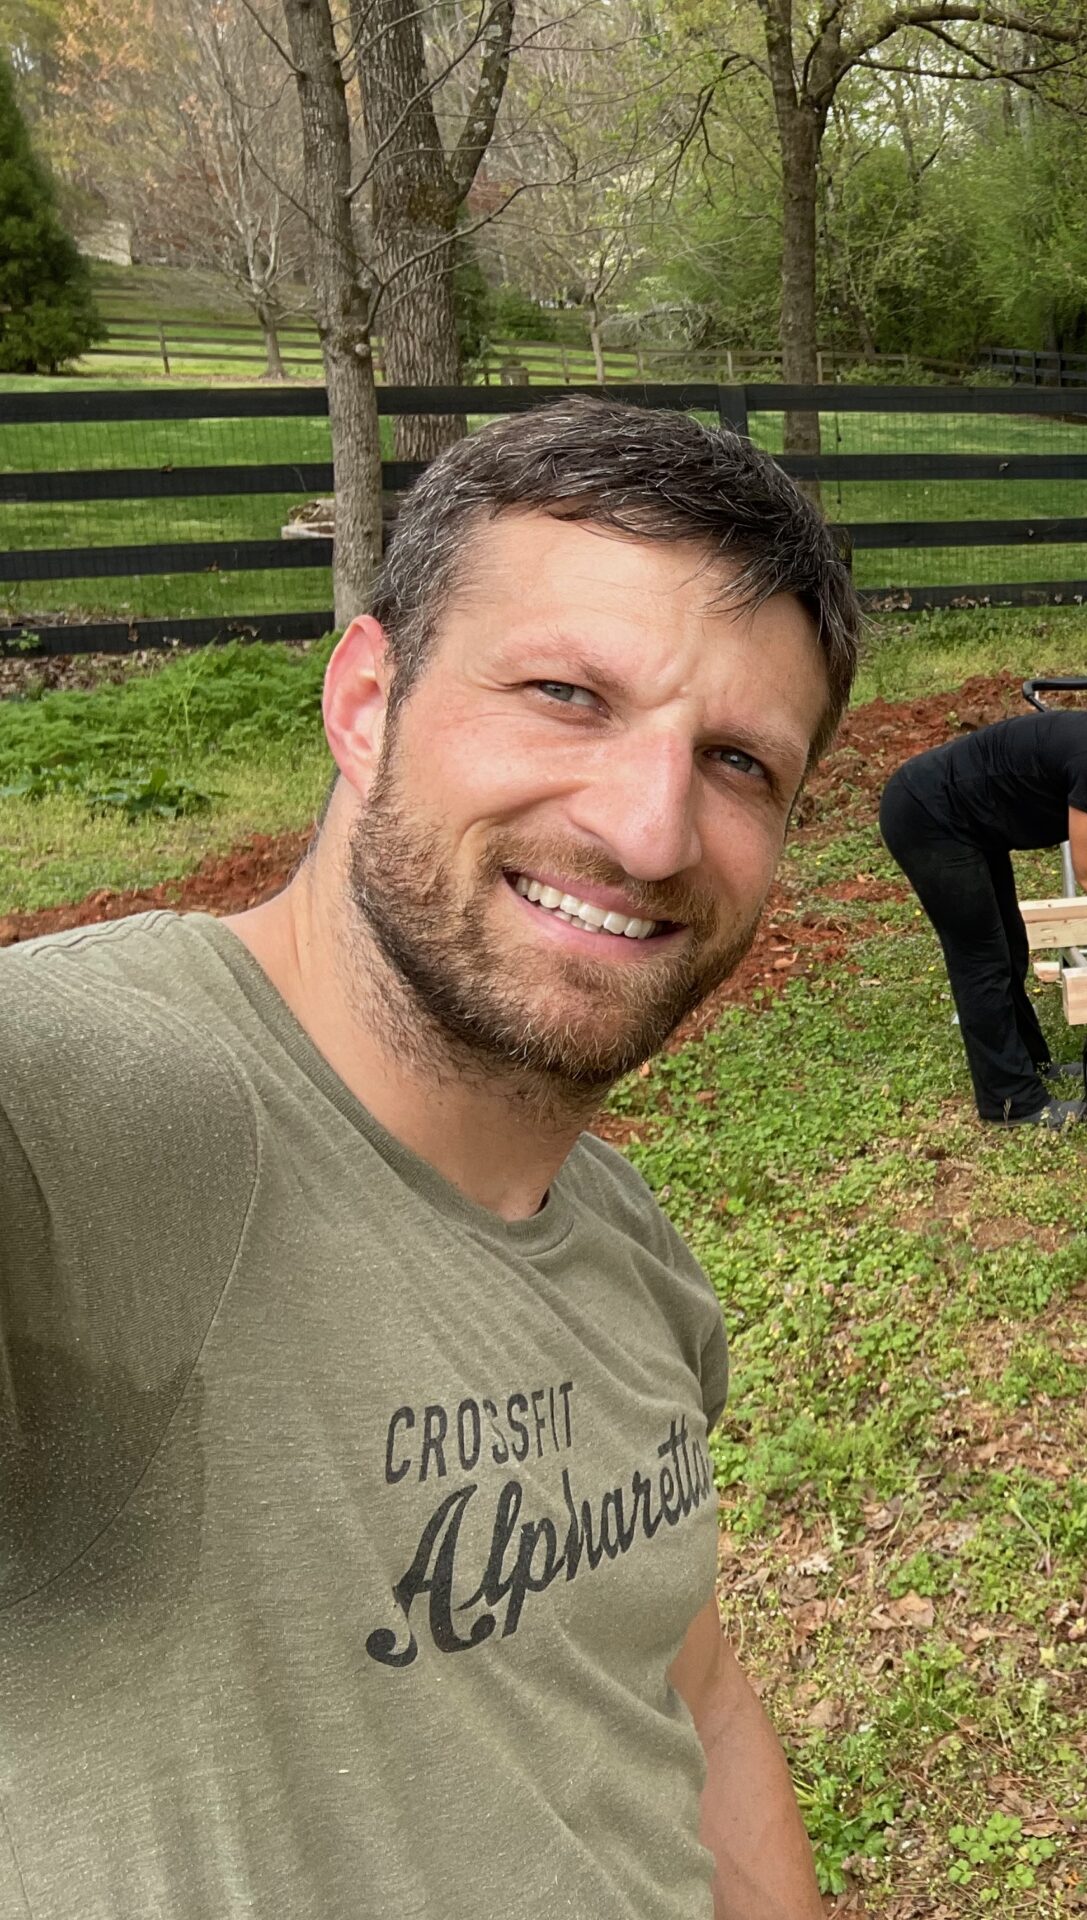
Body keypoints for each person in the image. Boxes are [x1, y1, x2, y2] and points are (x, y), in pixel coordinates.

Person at [0, 398, 856, 1919]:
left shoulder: (625, 1246)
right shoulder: (101, 1130)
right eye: (567, 694)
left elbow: (692, 1690)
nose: (652, 829)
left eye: (737, 761)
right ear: (365, 700)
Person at [880, 662, 1087, 1128]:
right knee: (981, 957)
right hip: (929, 814)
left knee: (1010, 948)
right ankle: (1012, 1103)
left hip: (974, 827)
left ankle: (1029, 1064)